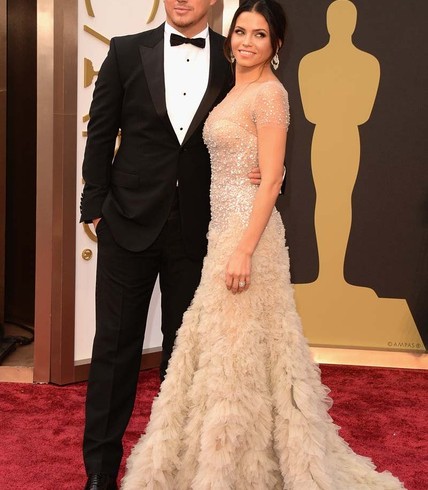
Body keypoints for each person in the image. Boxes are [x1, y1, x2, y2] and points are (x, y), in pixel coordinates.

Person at [121, 1, 406, 489]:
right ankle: (223, 457)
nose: (246, 42)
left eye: (259, 34)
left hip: (248, 239)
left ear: (276, 45)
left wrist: (244, 250)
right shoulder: (232, 88)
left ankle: (232, 467)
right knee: (229, 349)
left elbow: (271, 180)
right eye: (240, 31)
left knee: (238, 351)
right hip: (221, 233)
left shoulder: (271, 94)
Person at [79, 1, 262, 488]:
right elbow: (101, 132)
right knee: (114, 350)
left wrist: (273, 172)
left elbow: (257, 125)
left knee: (185, 355)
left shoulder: (232, 57)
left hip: (199, 229)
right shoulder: (124, 52)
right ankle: (100, 471)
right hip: (127, 222)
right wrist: (95, 208)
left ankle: (173, 467)